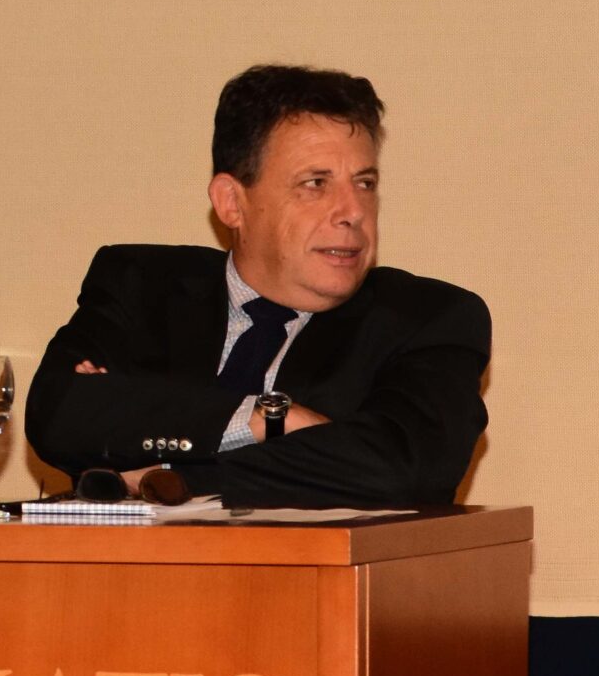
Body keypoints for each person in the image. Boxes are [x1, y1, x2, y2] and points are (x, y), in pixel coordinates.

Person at [25, 64, 488, 508]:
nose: (352, 211)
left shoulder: (428, 319)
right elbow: (60, 416)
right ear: (231, 202)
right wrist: (273, 417)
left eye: (365, 183)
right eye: (316, 183)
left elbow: (405, 470)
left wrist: (172, 476)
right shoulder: (142, 286)